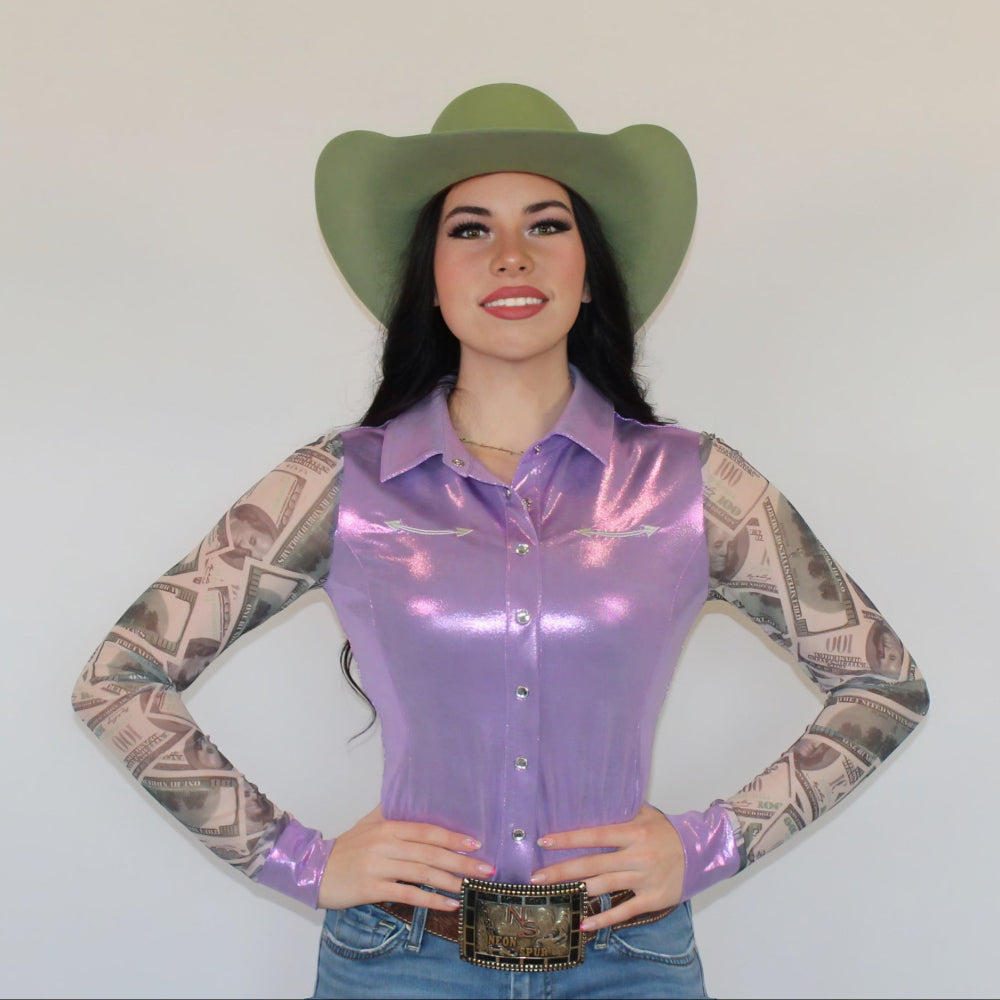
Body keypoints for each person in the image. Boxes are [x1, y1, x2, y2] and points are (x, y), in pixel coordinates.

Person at [72, 84, 928, 999]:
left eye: (548, 225)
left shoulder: (697, 485)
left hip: (629, 964)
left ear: (590, 270)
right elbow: (120, 678)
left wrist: (707, 846)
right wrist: (298, 859)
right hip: (397, 965)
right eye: (471, 230)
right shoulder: (339, 484)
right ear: (430, 279)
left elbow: (882, 681)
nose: (511, 256)